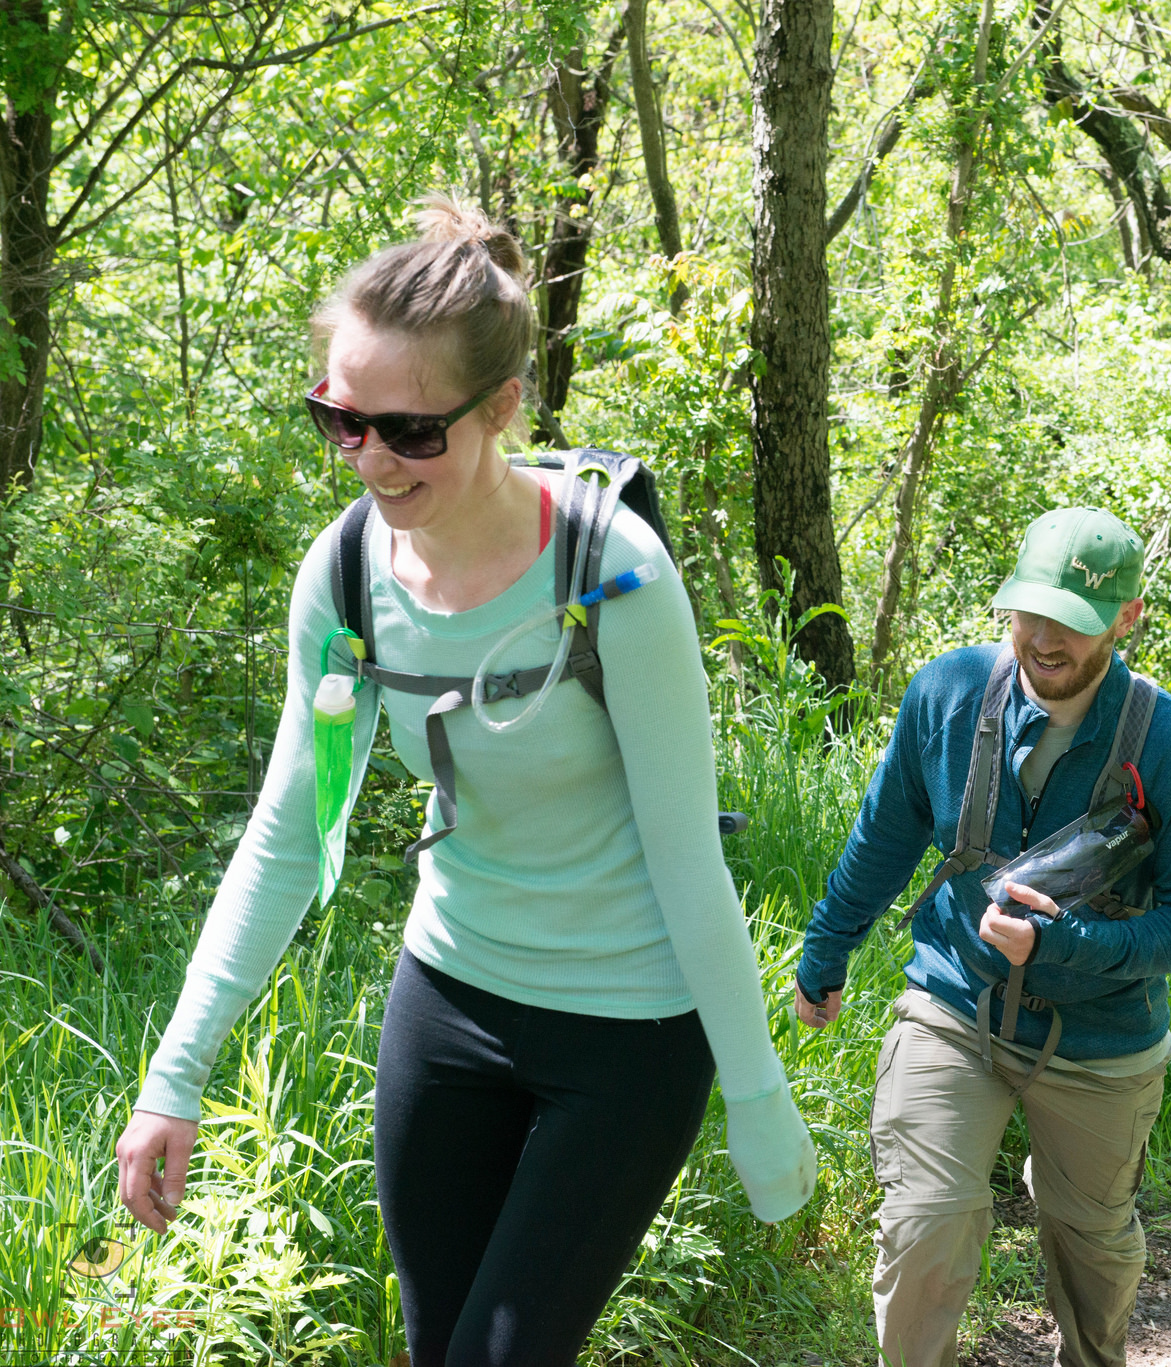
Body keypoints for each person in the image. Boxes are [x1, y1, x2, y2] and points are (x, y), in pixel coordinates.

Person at [114, 198, 814, 1367]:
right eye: (339, 421)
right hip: (448, 998)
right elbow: (291, 833)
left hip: (627, 1029)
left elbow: (689, 855)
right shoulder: (341, 576)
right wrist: (174, 1071)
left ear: (499, 408)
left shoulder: (612, 574)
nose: (370, 459)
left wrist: (755, 1086)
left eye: (409, 430)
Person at [792, 507, 1171, 1367]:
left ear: (1127, 617)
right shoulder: (949, 694)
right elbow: (883, 838)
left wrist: (1066, 942)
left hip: (1102, 1040)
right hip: (955, 1005)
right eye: (1031, 611)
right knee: (927, 1221)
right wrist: (825, 950)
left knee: (1092, 1248)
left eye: (1073, 619)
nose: (1044, 637)